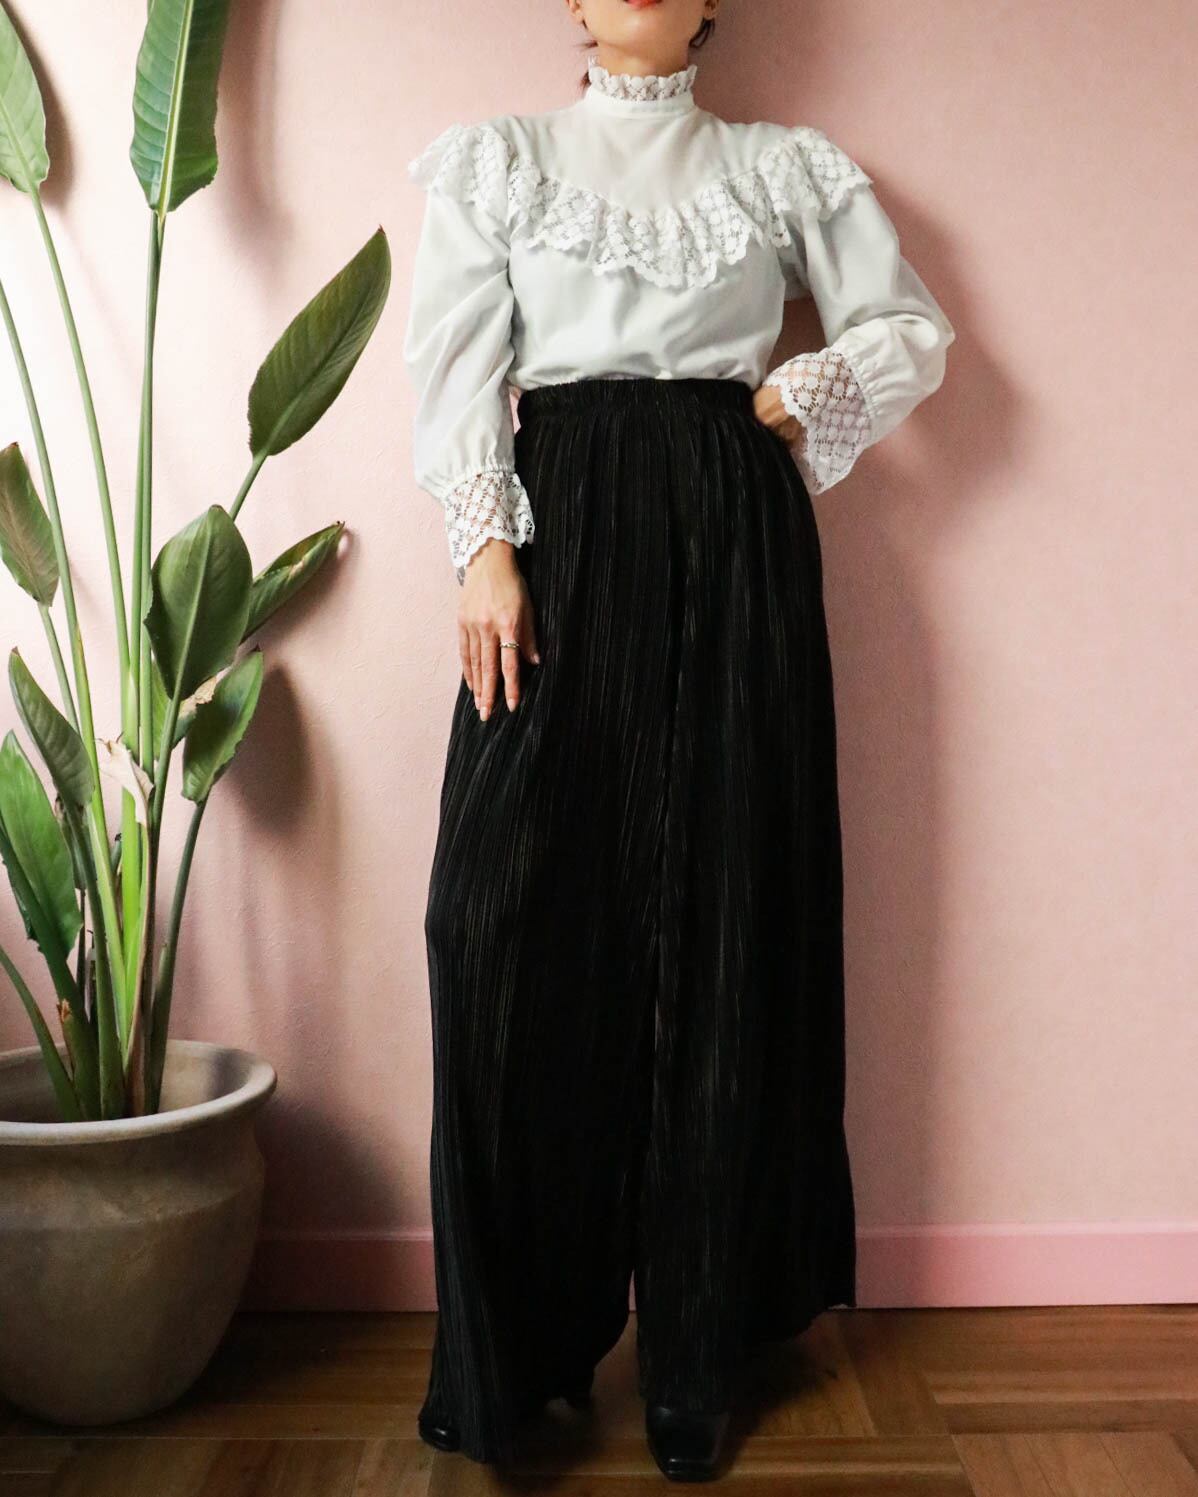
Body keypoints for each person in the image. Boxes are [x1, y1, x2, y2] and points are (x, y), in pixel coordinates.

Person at [402, 0, 954, 1479]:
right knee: (494, 922)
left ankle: (698, 1349)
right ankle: (520, 1348)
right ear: (573, 5)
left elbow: (909, 328)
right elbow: (453, 365)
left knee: (725, 916)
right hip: (556, 528)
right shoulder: (501, 160)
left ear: (716, 3)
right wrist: (484, 552)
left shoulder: (781, 165)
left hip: (730, 525)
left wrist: (798, 391)